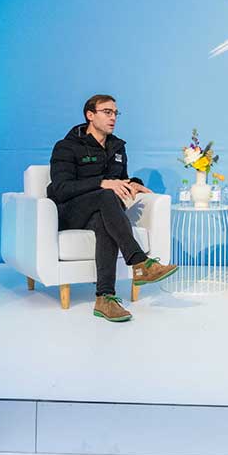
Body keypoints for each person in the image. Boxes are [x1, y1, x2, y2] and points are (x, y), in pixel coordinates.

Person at [48, 94, 178, 322]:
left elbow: (121, 180)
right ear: (90, 115)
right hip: (70, 211)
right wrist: (101, 183)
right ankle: (139, 263)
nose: (113, 117)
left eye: (115, 113)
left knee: (104, 221)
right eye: (107, 112)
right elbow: (60, 188)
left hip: (100, 210)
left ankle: (105, 298)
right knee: (107, 196)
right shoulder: (67, 147)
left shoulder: (117, 147)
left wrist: (134, 182)